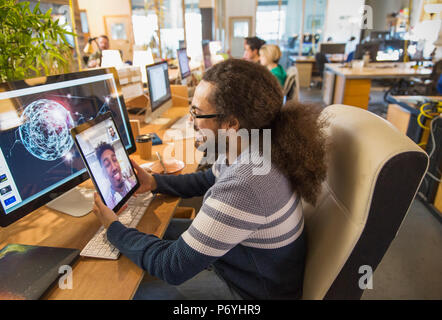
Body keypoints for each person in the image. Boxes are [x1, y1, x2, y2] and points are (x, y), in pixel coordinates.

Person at [91, 59, 328, 300]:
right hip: (244, 263)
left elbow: (171, 267)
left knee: (127, 294)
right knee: (155, 233)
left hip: (250, 291)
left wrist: (113, 228)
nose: (192, 122)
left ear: (231, 124)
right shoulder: (256, 146)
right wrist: (154, 183)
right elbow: (209, 178)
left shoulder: (247, 183)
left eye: (197, 113)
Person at [96, 142, 134, 208]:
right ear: (104, 173)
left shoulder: (131, 182)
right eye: (107, 164)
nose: (114, 167)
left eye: (114, 160)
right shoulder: (109, 205)